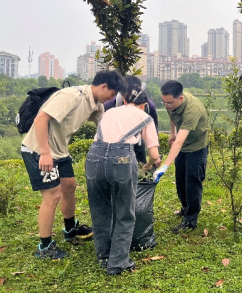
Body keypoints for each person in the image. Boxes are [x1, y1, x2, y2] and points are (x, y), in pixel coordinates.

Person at [21, 70, 126, 260]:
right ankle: (45, 247)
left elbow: (105, 127)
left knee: (69, 187)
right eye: (112, 94)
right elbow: (40, 119)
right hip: (39, 149)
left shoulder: (96, 104)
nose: (111, 99)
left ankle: (70, 230)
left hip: (60, 151)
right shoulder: (72, 97)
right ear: (103, 87)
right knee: (52, 195)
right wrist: (45, 153)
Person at [86, 82, 160, 275]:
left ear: (125, 100)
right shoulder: (145, 117)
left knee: (100, 210)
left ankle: (104, 256)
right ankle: (118, 262)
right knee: (125, 213)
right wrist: (148, 165)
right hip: (121, 160)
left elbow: (99, 139)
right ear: (145, 105)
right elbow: (154, 154)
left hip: (94, 157)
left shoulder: (109, 112)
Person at [154, 80, 209, 233]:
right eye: (163, 102)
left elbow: (178, 143)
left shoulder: (192, 109)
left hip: (197, 146)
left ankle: (191, 220)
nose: (166, 106)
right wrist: (172, 132)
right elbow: (172, 116)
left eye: (169, 103)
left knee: (192, 181)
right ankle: (185, 208)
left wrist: (164, 167)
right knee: (180, 179)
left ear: (180, 99)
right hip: (183, 144)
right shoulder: (170, 103)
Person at [104, 76, 160, 166]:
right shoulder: (110, 105)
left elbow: (154, 131)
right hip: (113, 146)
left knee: (140, 168)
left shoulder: (149, 106)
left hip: (138, 142)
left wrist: (155, 152)